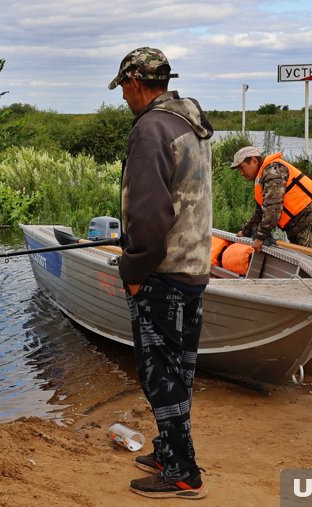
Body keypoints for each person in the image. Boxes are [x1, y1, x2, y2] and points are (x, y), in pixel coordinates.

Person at [108, 46, 212, 500]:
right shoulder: (189, 122)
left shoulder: (151, 128)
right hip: (193, 267)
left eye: (124, 88)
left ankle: (183, 473)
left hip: (162, 272)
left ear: (134, 81)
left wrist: (134, 267)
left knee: (159, 375)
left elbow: (150, 213)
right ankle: (169, 451)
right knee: (179, 370)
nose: (124, 97)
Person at [231, 146, 312, 252]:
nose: (241, 173)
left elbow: (273, 209)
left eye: (242, 168)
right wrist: (245, 232)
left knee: (310, 263)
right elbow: (260, 212)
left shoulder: (273, 171)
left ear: (254, 161)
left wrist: (260, 237)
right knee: (301, 261)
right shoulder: (262, 177)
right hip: (299, 226)